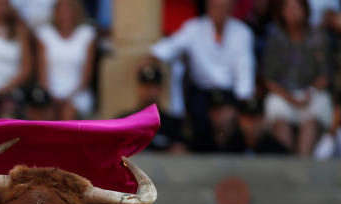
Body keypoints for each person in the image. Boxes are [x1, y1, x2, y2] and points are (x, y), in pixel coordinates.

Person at [150, 0, 255, 146]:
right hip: (201, 92)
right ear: (208, 6)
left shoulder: (242, 32)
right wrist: (152, 56)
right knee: (199, 121)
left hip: (229, 94)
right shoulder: (194, 28)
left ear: (231, 8)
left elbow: (244, 70)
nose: (219, 10)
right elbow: (171, 46)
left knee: (237, 122)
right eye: (216, 5)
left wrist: (241, 101)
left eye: (223, 6)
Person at [262, 0, 332, 156]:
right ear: (282, 11)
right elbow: (269, 80)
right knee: (279, 117)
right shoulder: (275, 37)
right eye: (288, 7)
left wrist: (310, 92)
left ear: (305, 10)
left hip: (311, 94)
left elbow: (325, 75)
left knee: (311, 122)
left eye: (296, 7)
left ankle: (302, 167)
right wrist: (291, 98)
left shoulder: (318, 35)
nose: (293, 12)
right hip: (283, 96)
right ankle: (286, 170)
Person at [35, 0, 96, 119]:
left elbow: (85, 79)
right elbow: (42, 76)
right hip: (50, 93)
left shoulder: (86, 34)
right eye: (60, 10)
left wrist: (67, 98)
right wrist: (52, 97)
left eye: (68, 10)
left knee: (68, 110)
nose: (64, 15)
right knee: (44, 109)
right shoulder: (45, 34)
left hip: (78, 94)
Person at [118, 63, 188, 153]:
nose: (148, 91)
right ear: (138, 88)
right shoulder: (124, 121)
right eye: (145, 86)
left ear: (160, 89)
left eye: (153, 87)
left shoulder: (172, 124)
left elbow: (182, 151)